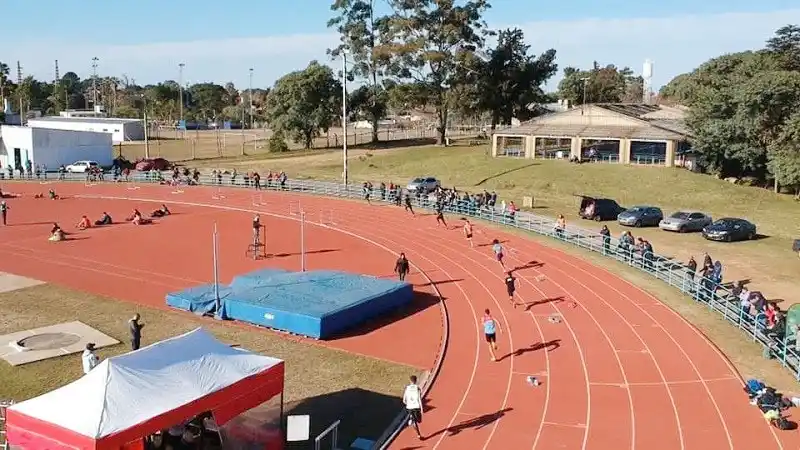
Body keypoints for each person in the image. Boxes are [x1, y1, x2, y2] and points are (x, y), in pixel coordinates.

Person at [402, 375, 424, 440]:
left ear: (410, 381)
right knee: (419, 421)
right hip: (416, 407)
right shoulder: (417, 388)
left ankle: (412, 420)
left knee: (416, 422)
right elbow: (419, 399)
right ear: (416, 381)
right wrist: (422, 408)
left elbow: (404, 400)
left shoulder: (407, 388)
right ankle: (412, 420)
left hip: (409, 407)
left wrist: (408, 404)